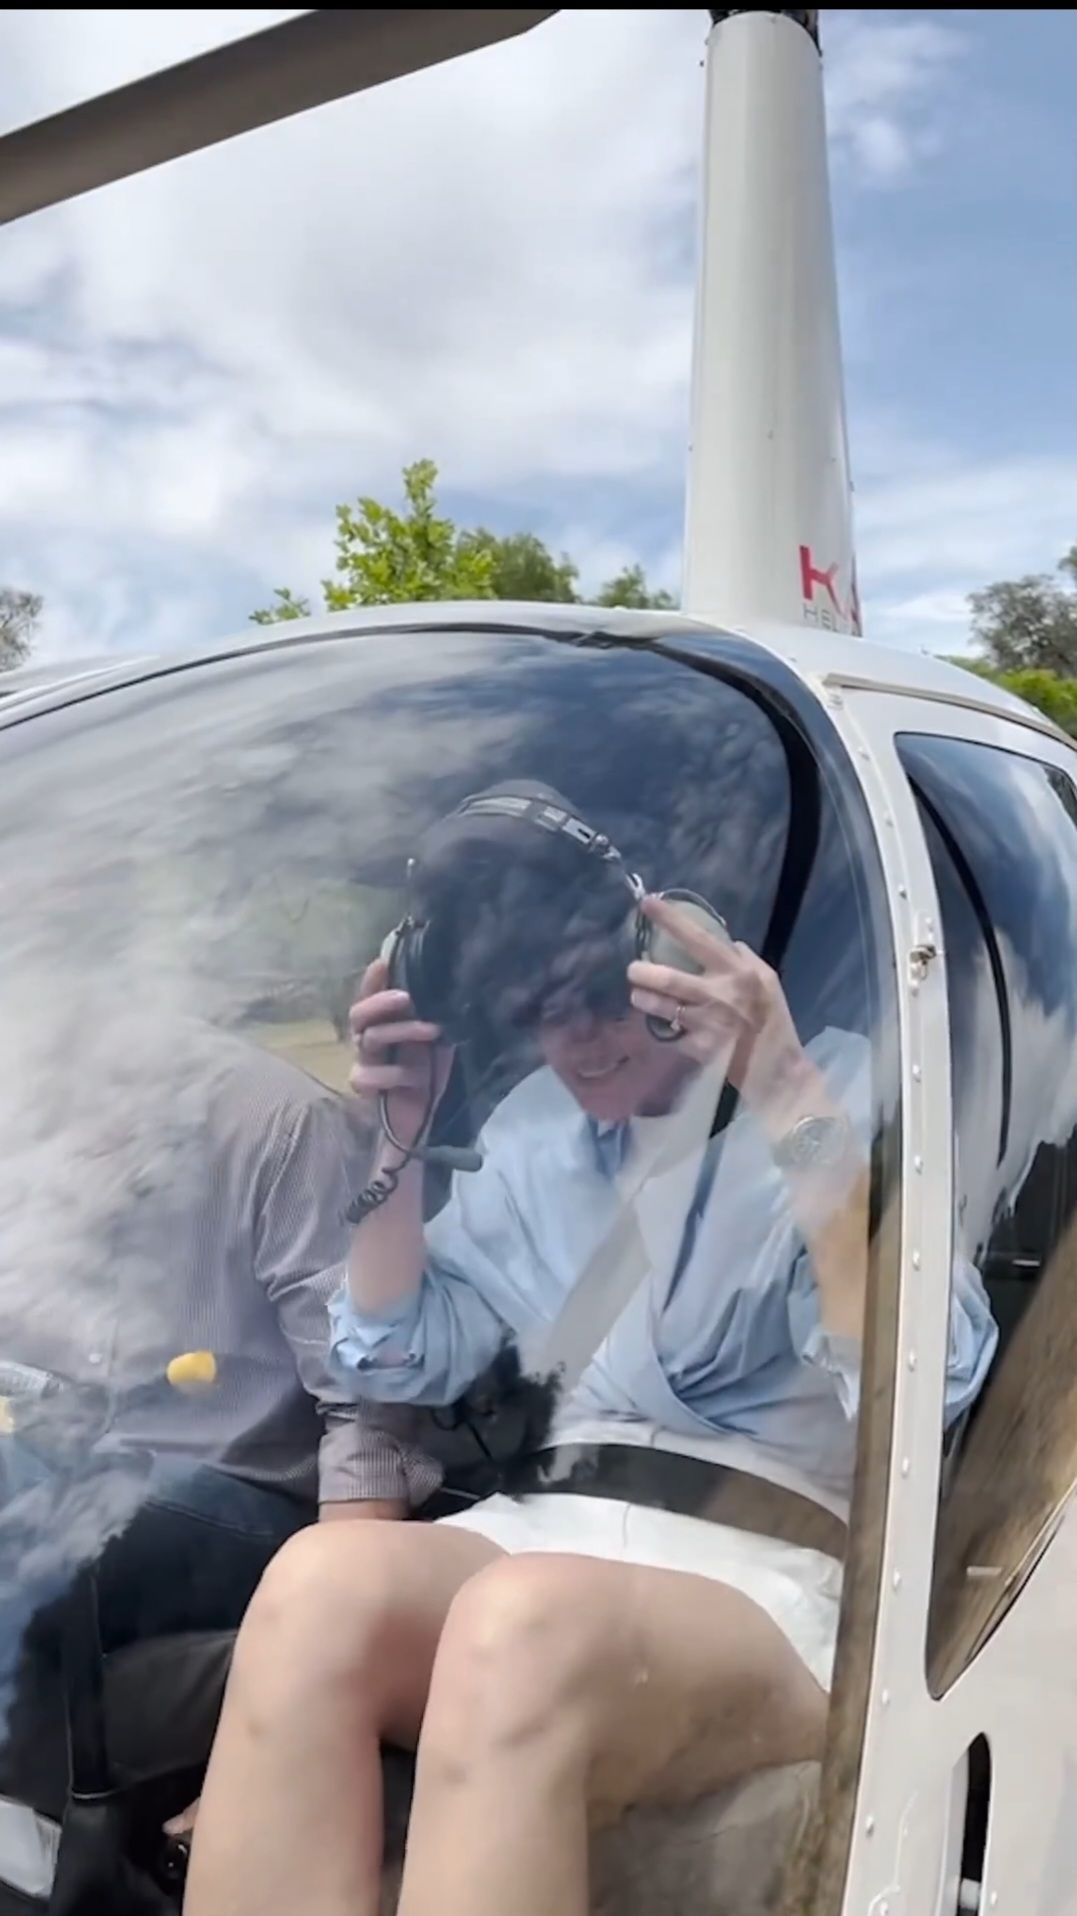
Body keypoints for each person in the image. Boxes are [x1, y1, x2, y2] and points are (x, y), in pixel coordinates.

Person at [185, 785, 997, 1916]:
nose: (574, 1035)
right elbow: (389, 1356)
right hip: (553, 1525)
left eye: (598, 990)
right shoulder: (535, 1132)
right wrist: (399, 1143)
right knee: (318, 1584)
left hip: (773, 1564)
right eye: (535, 1006)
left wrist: (784, 1093)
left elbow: (926, 1380)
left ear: (667, 959)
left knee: (523, 1624)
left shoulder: (836, 1092)